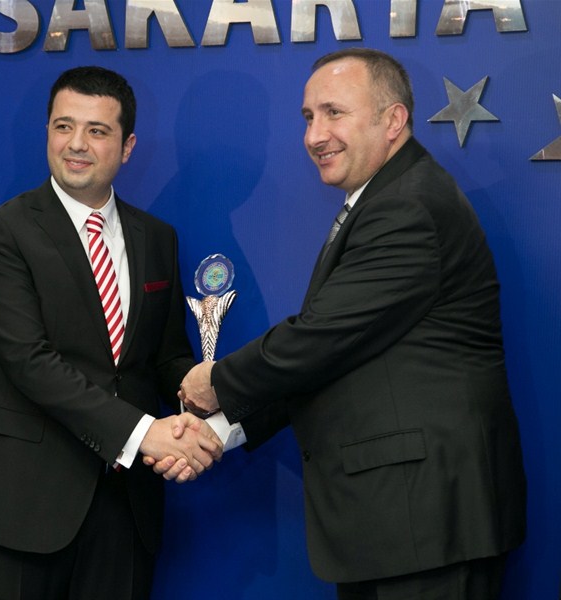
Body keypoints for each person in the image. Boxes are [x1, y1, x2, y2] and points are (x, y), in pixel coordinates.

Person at [171, 49, 527, 599]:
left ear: (393, 120)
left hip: (425, 523)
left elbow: (320, 339)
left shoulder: (407, 207)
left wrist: (214, 381)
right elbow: (337, 353)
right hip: (400, 526)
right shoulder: (384, 199)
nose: (315, 135)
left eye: (334, 113)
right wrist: (220, 432)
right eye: (308, 117)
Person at [0, 66, 223, 600]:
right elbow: (30, 362)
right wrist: (146, 433)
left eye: (97, 130)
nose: (76, 144)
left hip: (126, 508)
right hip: (23, 505)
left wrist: (208, 394)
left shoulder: (157, 238)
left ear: (127, 146)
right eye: (63, 126)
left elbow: (164, 358)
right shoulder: (1, 232)